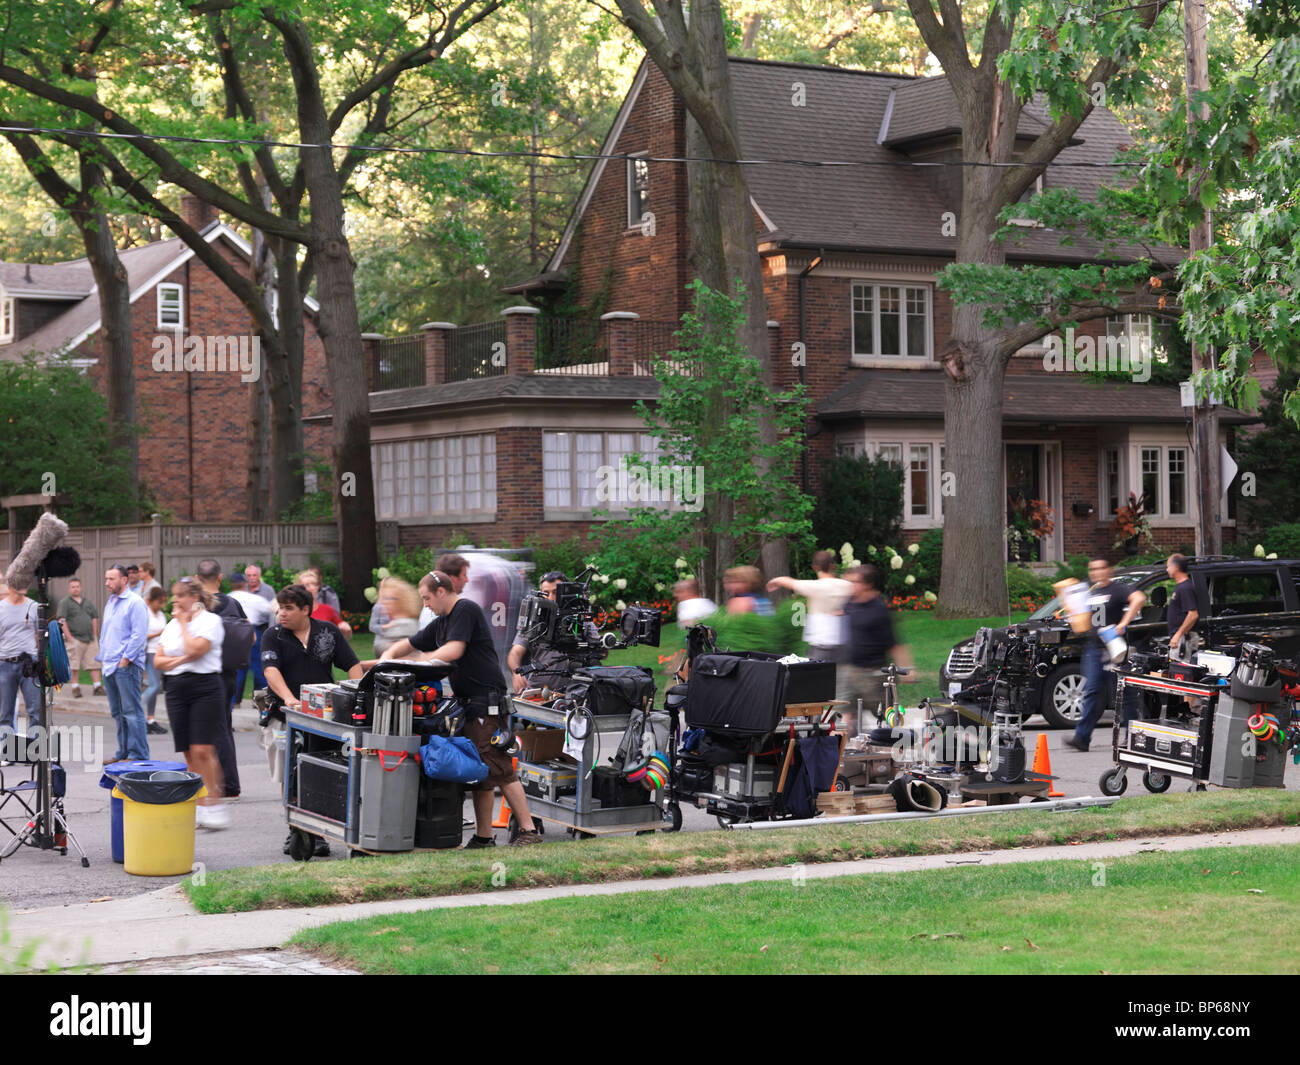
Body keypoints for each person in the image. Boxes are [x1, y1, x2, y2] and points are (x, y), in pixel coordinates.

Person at [378, 572, 543, 847]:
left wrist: (421, 661)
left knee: (499, 768)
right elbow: (410, 643)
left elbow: (454, 650)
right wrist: (386, 658)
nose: (425, 604)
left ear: (442, 591)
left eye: (427, 598)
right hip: (469, 704)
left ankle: (528, 831)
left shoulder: (465, 610)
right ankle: (483, 837)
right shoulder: (442, 622)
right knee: (482, 773)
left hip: (486, 704)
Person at [261, 583, 363, 858]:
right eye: (280, 608)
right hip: (285, 716)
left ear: (306, 610)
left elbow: (352, 664)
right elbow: (271, 671)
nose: (281, 613)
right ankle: (295, 829)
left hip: (323, 719)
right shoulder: (273, 635)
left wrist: (356, 693)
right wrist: (289, 699)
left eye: (289, 608)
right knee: (289, 772)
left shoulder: (327, 632)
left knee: (321, 771)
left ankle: (319, 833)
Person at [153, 578, 229, 828]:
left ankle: (215, 803)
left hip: (205, 687)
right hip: (176, 689)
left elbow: (196, 649)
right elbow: (158, 661)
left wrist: (185, 625)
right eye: (174, 597)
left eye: (180, 596)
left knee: (202, 750)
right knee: (188, 752)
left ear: (194, 598)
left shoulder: (210, 621)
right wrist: (181, 660)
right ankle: (199, 804)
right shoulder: (171, 624)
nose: (175, 602)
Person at [1063, 559, 1147, 754]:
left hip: (1114, 649)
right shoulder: (1090, 592)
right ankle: (1082, 738)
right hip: (1094, 648)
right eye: (1093, 569)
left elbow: (1139, 598)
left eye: (1101, 568)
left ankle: (1132, 738)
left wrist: (1123, 623)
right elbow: (1082, 620)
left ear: (1109, 570)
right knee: (1091, 691)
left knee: (1125, 695)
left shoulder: (1118, 589)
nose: (1096, 572)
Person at [839, 564, 915, 739]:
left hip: (876, 675)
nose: (849, 585)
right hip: (850, 672)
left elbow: (894, 643)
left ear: (867, 584)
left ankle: (897, 752)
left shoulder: (879, 609)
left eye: (854, 582)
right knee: (846, 717)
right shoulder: (848, 603)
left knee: (890, 718)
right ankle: (841, 758)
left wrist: (907, 669)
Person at [195, 559, 244, 800]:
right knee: (223, 725)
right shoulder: (233, 603)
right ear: (220, 577)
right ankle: (227, 781)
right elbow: (250, 638)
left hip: (204, 673)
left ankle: (223, 784)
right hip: (229, 673)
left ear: (196, 579)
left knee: (206, 730)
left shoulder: (196, 606)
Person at [507, 571, 602, 694]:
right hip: (538, 692)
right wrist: (516, 672)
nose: (551, 597)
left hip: (576, 692)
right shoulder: (534, 622)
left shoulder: (581, 620)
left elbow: (601, 653)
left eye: (555, 592)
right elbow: (515, 653)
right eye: (546, 593)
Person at [97, 564, 150, 762]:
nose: (107, 583)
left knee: (131, 712)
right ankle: (123, 753)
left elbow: (139, 634)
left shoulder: (135, 603)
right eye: (106, 578)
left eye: (111, 579)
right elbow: (107, 634)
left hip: (126, 666)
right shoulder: (111, 602)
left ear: (124, 580)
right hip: (109, 665)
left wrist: (125, 659)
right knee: (118, 713)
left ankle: (138, 754)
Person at [766, 550, 852, 662]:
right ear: (833, 566)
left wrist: (774, 581)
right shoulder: (847, 586)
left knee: (817, 676)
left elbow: (789, 582)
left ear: (815, 567)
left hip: (821, 643)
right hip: (844, 643)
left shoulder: (815, 587)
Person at [0, 580, 42, 737]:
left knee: (36, 711)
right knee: (5, 713)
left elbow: (39, 635)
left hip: (29, 664)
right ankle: (7, 751)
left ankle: (34, 752)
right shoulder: (1, 608)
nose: (24, 585)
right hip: (5, 664)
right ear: (10, 586)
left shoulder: (34, 607)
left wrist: (36, 656)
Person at [228, 572, 273, 708]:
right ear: (244, 584)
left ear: (231, 584)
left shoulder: (227, 599)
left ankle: (234, 701)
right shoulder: (255, 598)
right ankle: (260, 701)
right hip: (252, 630)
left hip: (232, 634)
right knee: (259, 668)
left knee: (237, 670)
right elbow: (270, 611)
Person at [55, 577, 103, 698]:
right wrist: (69, 637)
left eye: (77, 586)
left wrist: (94, 634)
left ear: (80, 587)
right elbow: (61, 619)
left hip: (90, 639)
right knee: (74, 665)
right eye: (73, 587)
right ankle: (75, 688)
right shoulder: (65, 602)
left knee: (95, 663)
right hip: (74, 639)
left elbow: (94, 617)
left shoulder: (87, 602)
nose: (75, 589)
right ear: (69, 588)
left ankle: (97, 686)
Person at [371, 577, 422, 656]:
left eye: (389, 598)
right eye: (383, 598)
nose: (384, 602)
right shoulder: (395, 621)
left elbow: (406, 659)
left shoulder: (406, 624)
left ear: (402, 600)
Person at [142, 586, 169, 734]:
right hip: (147, 652)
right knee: (154, 685)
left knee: (156, 687)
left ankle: (150, 719)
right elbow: (140, 635)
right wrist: (159, 633)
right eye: (159, 602)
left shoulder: (161, 616)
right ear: (151, 601)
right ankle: (138, 713)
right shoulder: (145, 614)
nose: (161, 605)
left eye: (163, 602)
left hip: (159, 652)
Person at [297, 569, 352, 639]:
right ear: (298, 589)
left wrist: (346, 629)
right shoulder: (294, 611)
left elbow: (344, 636)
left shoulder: (327, 609)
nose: (312, 588)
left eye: (315, 584)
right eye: (307, 585)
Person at [1167, 553, 1199, 660]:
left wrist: (1178, 635)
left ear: (1176, 567)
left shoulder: (1185, 587)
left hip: (1184, 639)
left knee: (1181, 672)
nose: (1167, 570)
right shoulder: (1180, 586)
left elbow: (1193, 615)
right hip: (1180, 638)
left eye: (1168, 566)